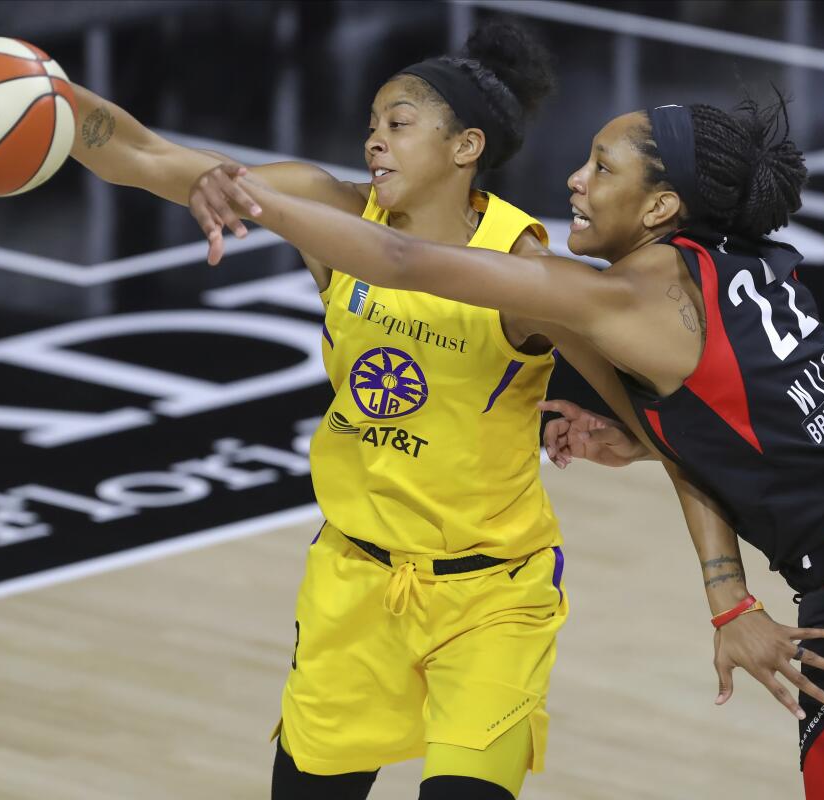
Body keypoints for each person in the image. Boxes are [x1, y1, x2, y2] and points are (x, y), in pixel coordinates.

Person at [200, 97, 824, 799]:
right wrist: (647, 440)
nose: (576, 180)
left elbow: (405, 260)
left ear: (659, 208)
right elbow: (773, 420)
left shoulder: (623, 294)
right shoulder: (731, 259)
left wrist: (251, 199)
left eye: (601, 167)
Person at [72, 21, 726, 800]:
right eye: (371, 127)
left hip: (491, 597)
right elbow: (149, 156)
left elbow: (666, 418)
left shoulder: (524, 272)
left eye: (398, 125)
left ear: (465, 147)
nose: (373, 143)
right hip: (354, 583)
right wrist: (41, 90)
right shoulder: (334, 216)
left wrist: (714, 571)